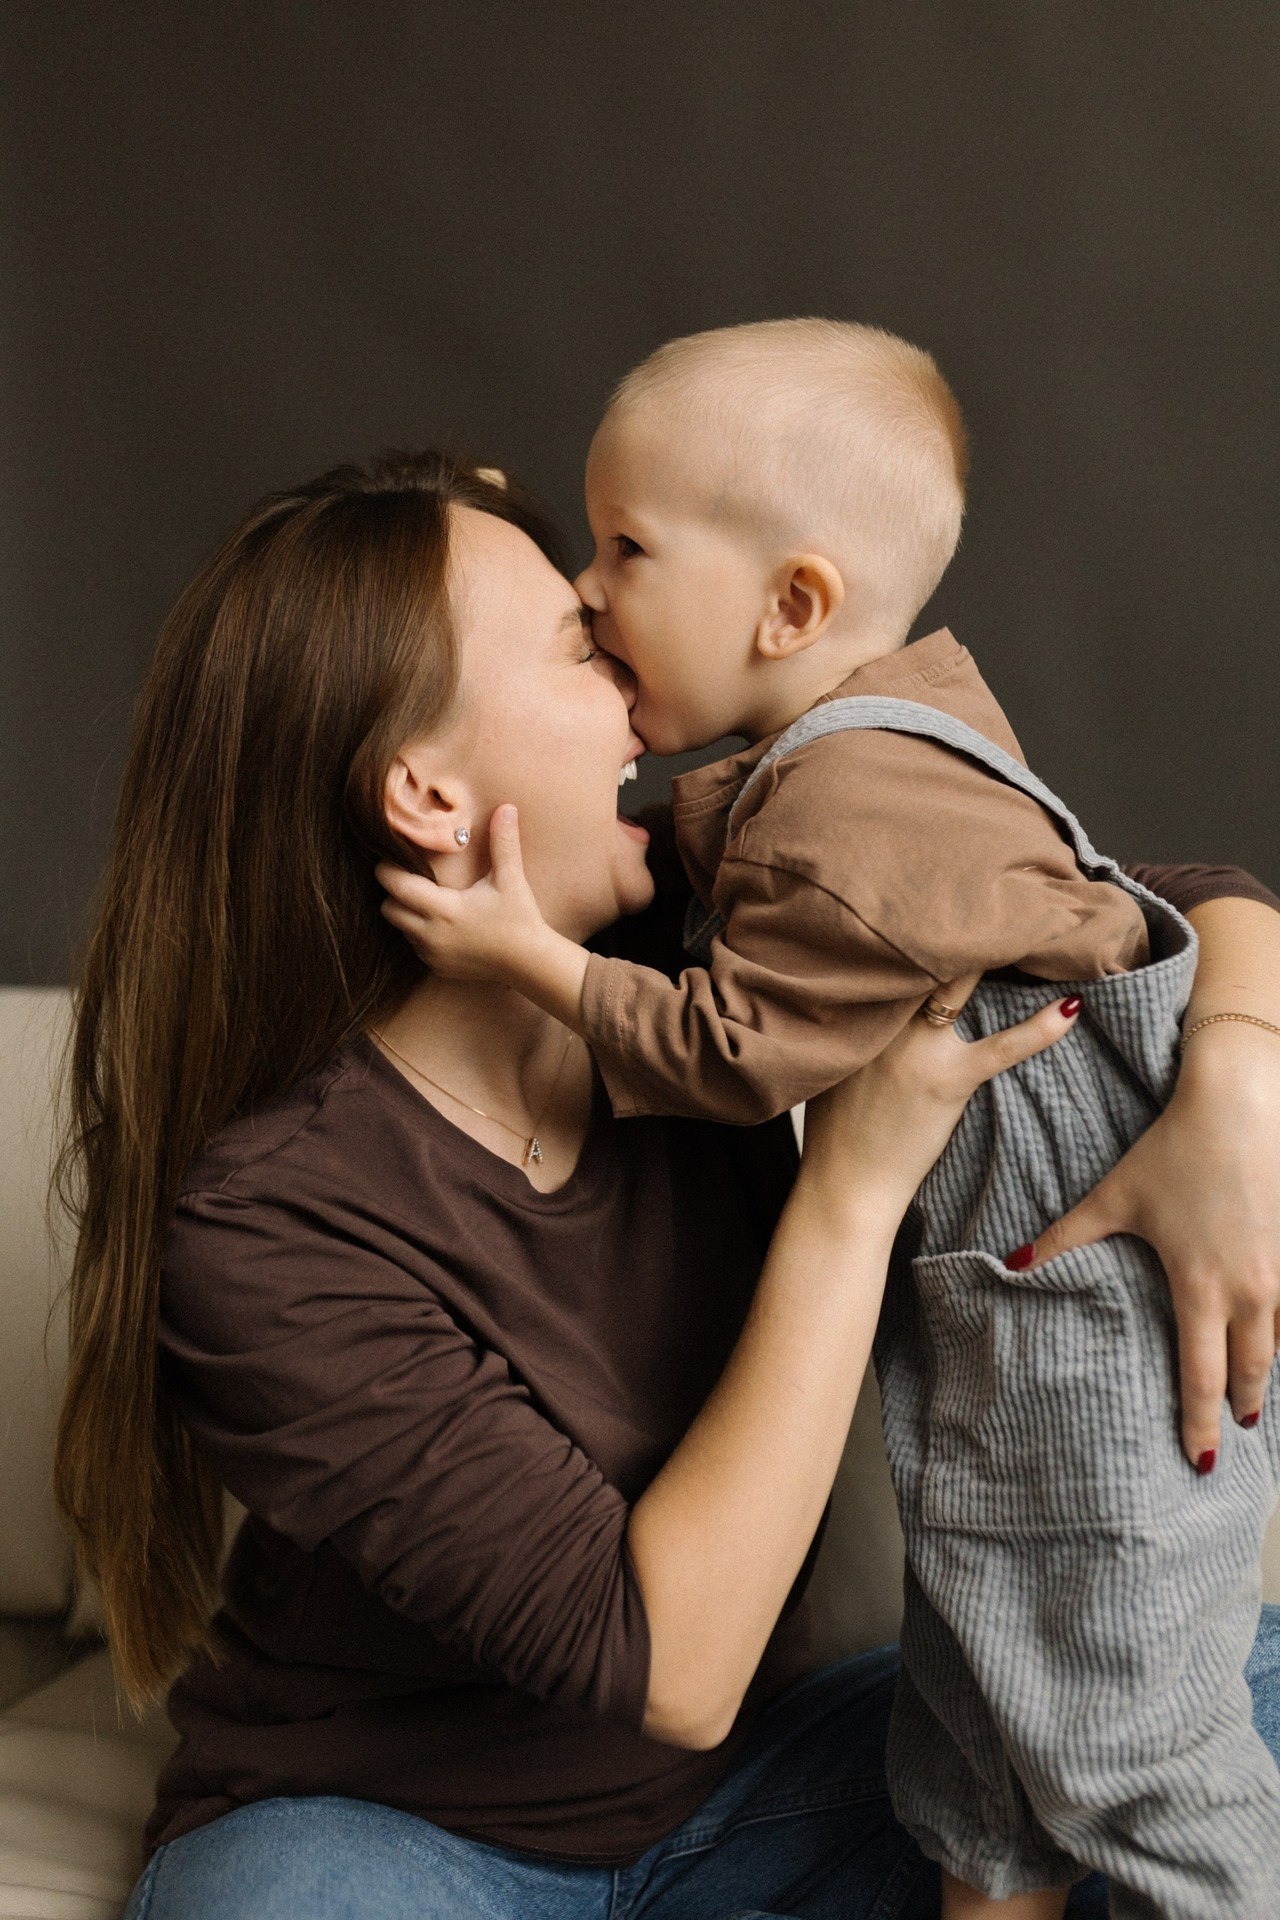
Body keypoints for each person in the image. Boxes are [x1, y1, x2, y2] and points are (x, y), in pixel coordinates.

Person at [53, 450, 1280, 1920]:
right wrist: (853, 1186)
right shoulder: (268, 1227)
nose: (635, 673)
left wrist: (1234, 1098)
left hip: (777, 1790)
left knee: (1213, 1707)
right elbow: (673, 1667)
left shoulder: (714, 948)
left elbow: (1169, 903)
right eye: (580, 645)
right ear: (430, 796)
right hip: (390, 1837)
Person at [376, 323, 1280, 1919]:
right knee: (973, 1756)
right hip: (1009, 1336)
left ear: (792, 605)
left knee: (1134, 1762)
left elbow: (732, 1052)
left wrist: (532, 961)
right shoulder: (894, 744)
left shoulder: (851, 820)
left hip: (1078, 1346)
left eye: (626, 550)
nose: (591, 591)